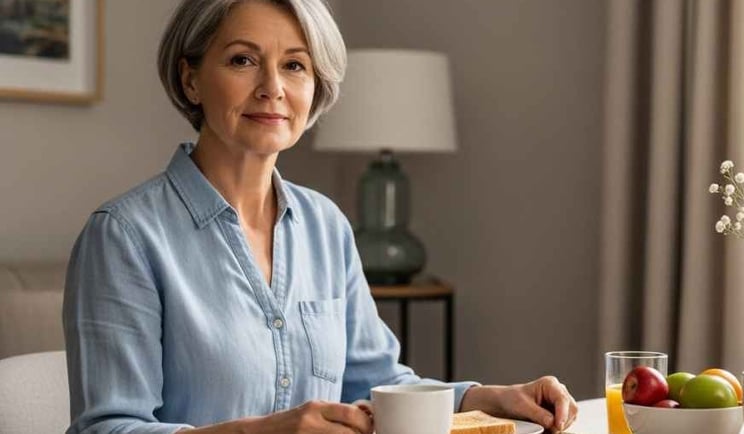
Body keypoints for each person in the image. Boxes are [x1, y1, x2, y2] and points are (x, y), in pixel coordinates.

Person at [62, 1, 578, 433]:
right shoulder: (123, 236)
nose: (272, 87)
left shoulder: (326, 225)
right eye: (243, 60)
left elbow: (379, 383)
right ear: (190, 78)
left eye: (295, 65)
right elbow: (108, 429)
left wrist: (488, 397)